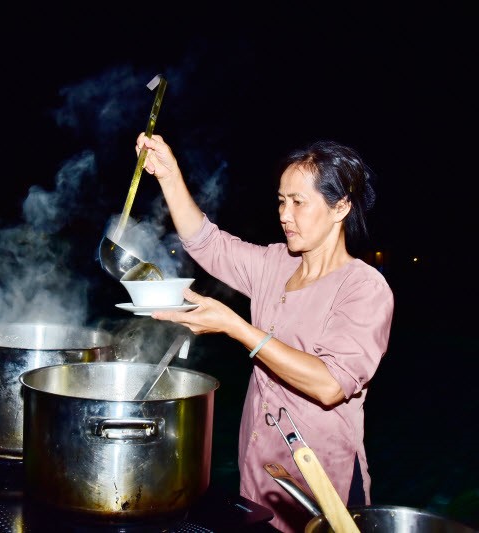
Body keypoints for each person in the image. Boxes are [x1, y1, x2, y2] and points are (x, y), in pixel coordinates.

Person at [136, 133, 394, 532]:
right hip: (260, 476)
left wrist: (236, 327)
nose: (284, 215)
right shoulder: (275, 263)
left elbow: (330, 384)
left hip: (322, 485)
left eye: (298, 202)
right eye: (280, 201)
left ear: (340, 206)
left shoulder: (363, 288)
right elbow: (208, 244)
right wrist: (169, 176)